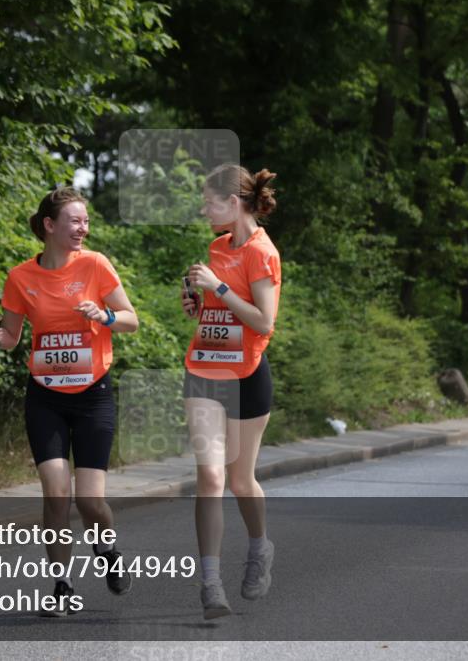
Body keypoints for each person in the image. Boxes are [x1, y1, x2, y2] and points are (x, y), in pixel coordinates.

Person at [0, 187, 138, 616]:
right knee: (56, 495)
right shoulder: (20, 278)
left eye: (86, 220)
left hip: (93, 397)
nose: (83, 228)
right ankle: (63, 585)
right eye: (74, 220)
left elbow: (131, 320)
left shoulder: (95, 264)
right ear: (50, 226)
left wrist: (105, 316)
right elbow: (12, 339)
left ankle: (107, 553)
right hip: (45, 398)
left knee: (90, 503)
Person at [181, 164, 281, 619]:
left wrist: (218, 285)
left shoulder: (263, 253)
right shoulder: (217, 246)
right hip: (204, 368)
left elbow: (263, 322)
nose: (205, 209)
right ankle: (210, 583)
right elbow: (216, 309)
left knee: (241, 480)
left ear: (235, 203)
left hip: (247, 375)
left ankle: (260, 548)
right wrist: (198, 304)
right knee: (212, 477)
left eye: (210, 202)